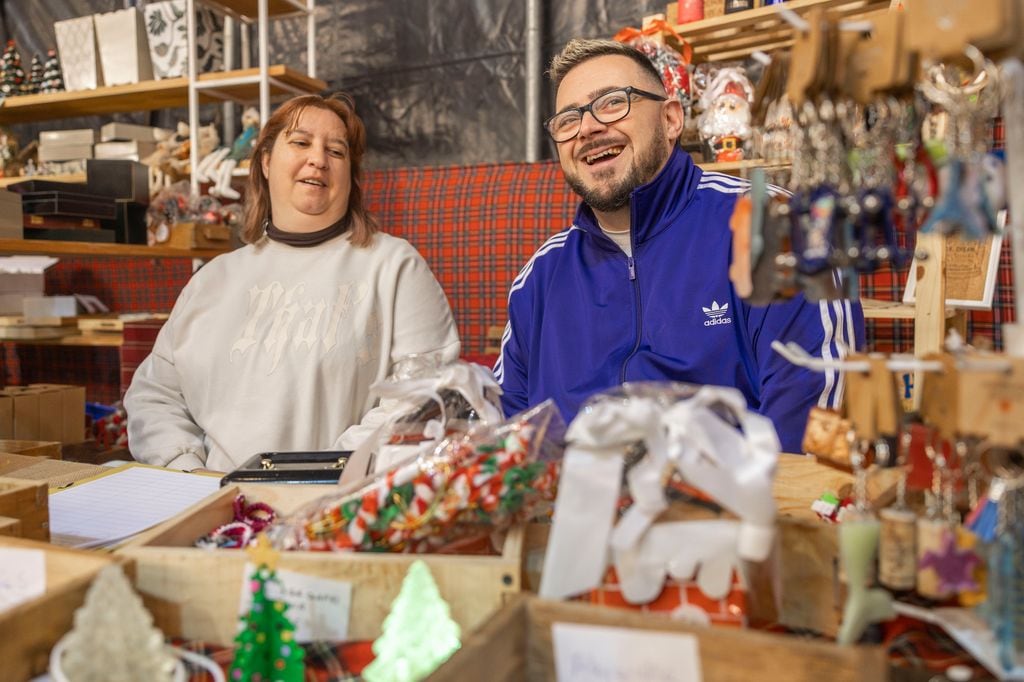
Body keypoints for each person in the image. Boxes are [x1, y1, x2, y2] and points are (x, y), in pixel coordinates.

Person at [494, 39, 863, 453]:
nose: (588, 128)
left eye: (613, 103)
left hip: (735, 511)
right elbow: (506, 431)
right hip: (566, 512)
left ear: (671, 119)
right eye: (567, 121)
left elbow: (806, 424)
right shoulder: (541, 278)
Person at [125, 93, 460, 472]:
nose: (318, 159)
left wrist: (321, 473)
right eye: (300, 142)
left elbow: (424, 396)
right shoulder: (212, 280)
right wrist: (188, 471)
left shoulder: (394, 267)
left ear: (350, 175)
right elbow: (155, 395)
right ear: (266, 161)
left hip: (332, 508)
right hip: (211, 504)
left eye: (336, 151)